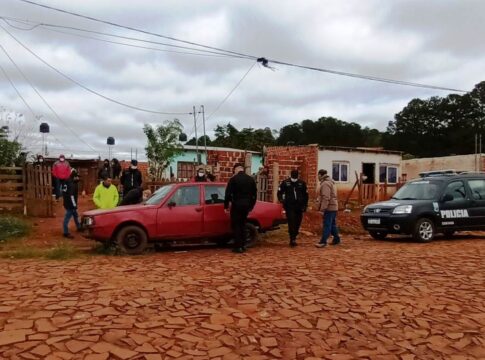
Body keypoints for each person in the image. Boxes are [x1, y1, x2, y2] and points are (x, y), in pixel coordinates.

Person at [224, 163, 257, 253]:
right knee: (243, 224)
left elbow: (228, 194)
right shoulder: (250, 179)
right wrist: (251, 206)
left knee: (236, 225)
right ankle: (243, 245)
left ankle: (238, 246)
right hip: (246, 206)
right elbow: (254, 194)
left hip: (236, 205)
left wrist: (226, 205)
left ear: (236, 170)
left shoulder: (233, 179)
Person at [277, 169, 308, 247]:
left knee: (298, 222)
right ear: (291, 175)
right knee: (291, 221)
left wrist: (305, 205)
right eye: (294, 174)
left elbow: (306, 195)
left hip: (299, 206)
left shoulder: (302, 183)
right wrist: (282, 200)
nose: (295, 176)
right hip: (289, 206)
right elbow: (279, 192)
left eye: (296, 174)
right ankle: (292, 238)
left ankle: (295, 234)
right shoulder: (285, 183)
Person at [315, 169, 341, 248]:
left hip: (329, 207)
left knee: (327, 224)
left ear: (320, 175)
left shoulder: (325, 184)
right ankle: (336, 239)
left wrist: (323, 209)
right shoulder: (331, 182)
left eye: (318, 175)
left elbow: (326, 197)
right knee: (332, 224)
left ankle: (323, 242)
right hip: (333, 206)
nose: (317, 177)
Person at [62, 169, 81, 238]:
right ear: (74, 176)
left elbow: (64, 192)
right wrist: (74, 205)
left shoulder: (67, 181)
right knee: (67, 217)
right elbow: (71, 196)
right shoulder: (72, 184)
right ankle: (65, 232)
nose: (78, 178)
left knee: (75, 215)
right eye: (77, 177)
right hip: (70, 203)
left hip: (66, 201)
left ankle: (79, 227)